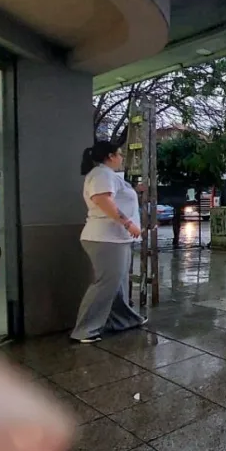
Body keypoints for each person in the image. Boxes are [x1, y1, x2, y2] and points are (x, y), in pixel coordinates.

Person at [71, 141, 147, 343]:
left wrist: (136, 191)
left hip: (114, 239)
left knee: (117, 283)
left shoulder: (107, 175)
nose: (122, 158)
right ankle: (84, 329)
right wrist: (128, 223)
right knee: (106, 283)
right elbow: (103, 200)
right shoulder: (101, 174)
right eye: (120, 154)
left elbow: (116, 197)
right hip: (105, 238)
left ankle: (123, 320)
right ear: (111, 156)